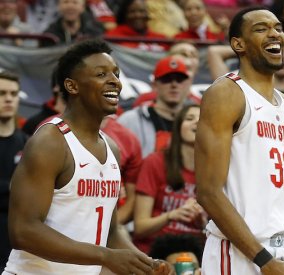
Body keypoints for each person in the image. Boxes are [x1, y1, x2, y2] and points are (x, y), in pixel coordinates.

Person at [3, 39, 172, 275]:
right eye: (101, 74)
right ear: (72, 86)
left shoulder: (111, 147)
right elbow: (23, 230)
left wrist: (144, 263)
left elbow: (111, 231)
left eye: (116, 73)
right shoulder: (51, 141)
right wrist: (105, 256)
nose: (115, 81)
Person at [195, 7, 284, 275]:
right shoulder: (227, 94)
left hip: (283, 253)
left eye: (277, 27)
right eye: (261, 29)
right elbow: (208, 192)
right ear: (238, 44)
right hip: (239, 253)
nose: (274, 33)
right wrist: (263, 259)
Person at [133, 104, 206, 254]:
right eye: (190, 118)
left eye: (202, 119)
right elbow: (140, 228)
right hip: (156, 249)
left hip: (196, 252)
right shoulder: (155, 162)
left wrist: (202, 221)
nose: (196, 122)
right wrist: (172, 215)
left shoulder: (217, 169)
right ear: (178, 127)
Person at [118, 55, 191, 157]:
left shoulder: (197, 122)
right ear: (154, 85)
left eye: (179, 80)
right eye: (167, 79)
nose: (174, 85)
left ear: (188, 85)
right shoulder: (130, 120)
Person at [0, 70, 28, 269]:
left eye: (13, 94)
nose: (8, 99)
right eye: (1, 94)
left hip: (17, 236)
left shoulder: (29, 143)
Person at [104, 0, 169, 52]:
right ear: (124, 15)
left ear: (147, 14)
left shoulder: (161, 39)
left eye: (142, 11)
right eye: (132, 12)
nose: (138, 15)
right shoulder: (112, 37)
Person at [41, 0, 105, 47]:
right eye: (66, 2)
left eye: (75, 2)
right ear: (58, 6)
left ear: (82, 7)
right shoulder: (49, 35)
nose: (70, 6)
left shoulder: (95, 33)